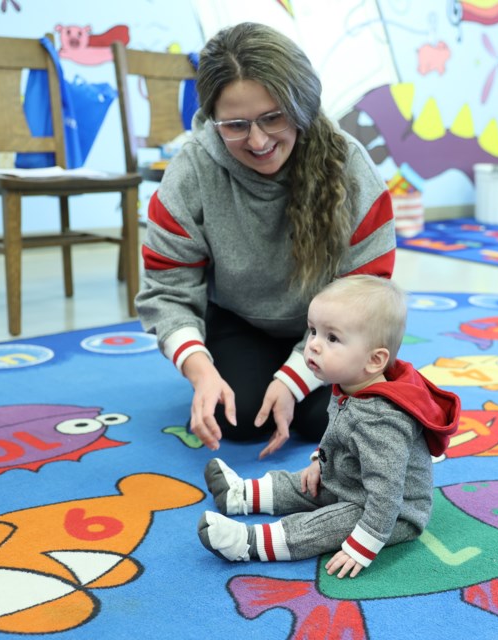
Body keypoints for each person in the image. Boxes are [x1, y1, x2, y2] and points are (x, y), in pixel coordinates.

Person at [135, 22, 396, 458]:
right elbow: (167, 290)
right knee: (236, 420)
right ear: (212, 119)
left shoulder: (351, 167)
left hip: (337, 331)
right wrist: (201, 372)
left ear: (302, 104)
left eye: (273, 118)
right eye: (235, 125)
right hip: (242, 321)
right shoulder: (192, 171)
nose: (258, 141)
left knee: (324, 421)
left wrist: (293, 379)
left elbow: (368, 296)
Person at [196, 275, 461, 578]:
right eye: (312, 331)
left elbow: (386, 494)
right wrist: (319, 462)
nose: (313, 346)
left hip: (391, 511)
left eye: (332, 338)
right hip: (352, 479)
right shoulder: (349, 385)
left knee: (325, 524)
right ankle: (242, 495)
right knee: (305, 482)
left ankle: (249, 543)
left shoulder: (382, 419)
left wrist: (362, 546)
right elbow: (336, 432)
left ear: (374, 360)